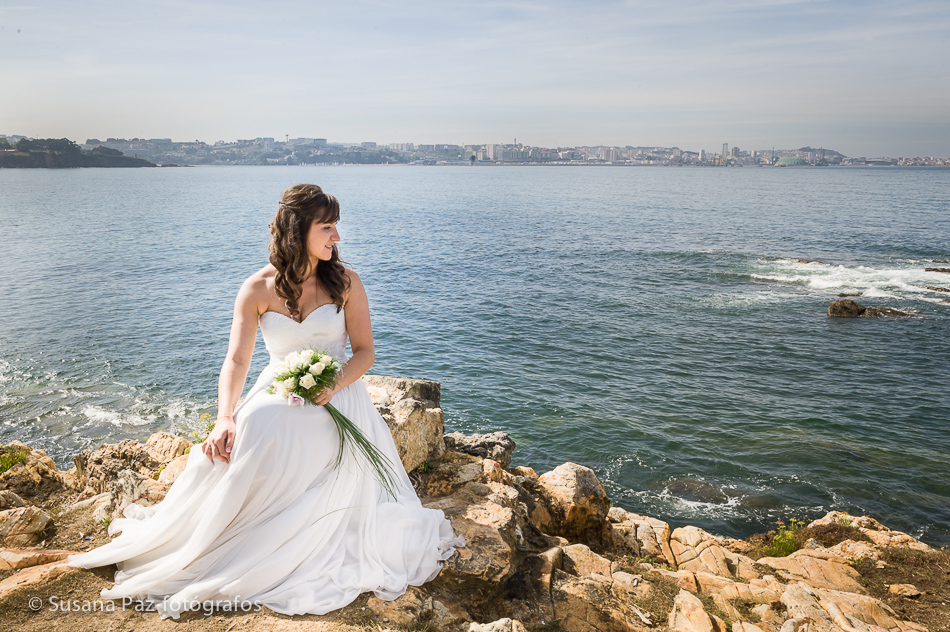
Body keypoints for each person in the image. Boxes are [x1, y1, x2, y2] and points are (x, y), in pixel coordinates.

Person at [66, 184, 464, 619]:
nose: (337, 237)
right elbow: (237, 360)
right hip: (278, 387)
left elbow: (365, 352)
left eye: (336, 227)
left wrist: (333, 384)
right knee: (253, 423)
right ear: (298, 231)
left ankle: (286, 529)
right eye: (327, 227)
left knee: (285, 426)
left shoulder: (347, 282)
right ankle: (233, 530)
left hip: (338, 396)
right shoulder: (257, 288)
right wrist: (224, 417)